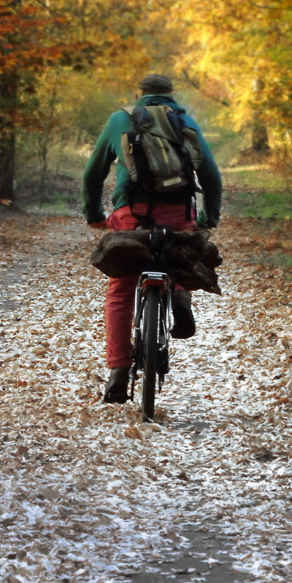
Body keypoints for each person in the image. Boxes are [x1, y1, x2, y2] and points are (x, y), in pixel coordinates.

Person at [82, 73, 222, 403]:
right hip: (177, 215)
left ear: (140, 94)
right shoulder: (185, 120)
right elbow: (212, 177)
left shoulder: (121, 119)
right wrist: (205, 220)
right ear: (170, 95)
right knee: (178, 256)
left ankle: (118, 370)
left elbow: (92, 173)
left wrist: (95, 217)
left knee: (121, 289)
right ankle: (180, 294)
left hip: (131, 215)